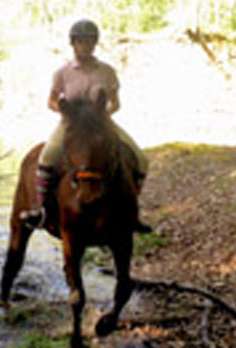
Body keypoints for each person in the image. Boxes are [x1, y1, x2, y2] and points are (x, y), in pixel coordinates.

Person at [21, 19, 150, 229]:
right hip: (71, 123)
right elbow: (51, 99)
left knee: (140, 158)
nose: (85, 46)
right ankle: (41, 208)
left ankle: (132, 210)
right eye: (81, 42)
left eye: (89, 42)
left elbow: (116, 102)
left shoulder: (107, 71)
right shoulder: (62, 72)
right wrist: (61, 108)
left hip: (101, 123)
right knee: (46, 157)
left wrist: (106, 113)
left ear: (95, 43)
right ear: (73, 43)